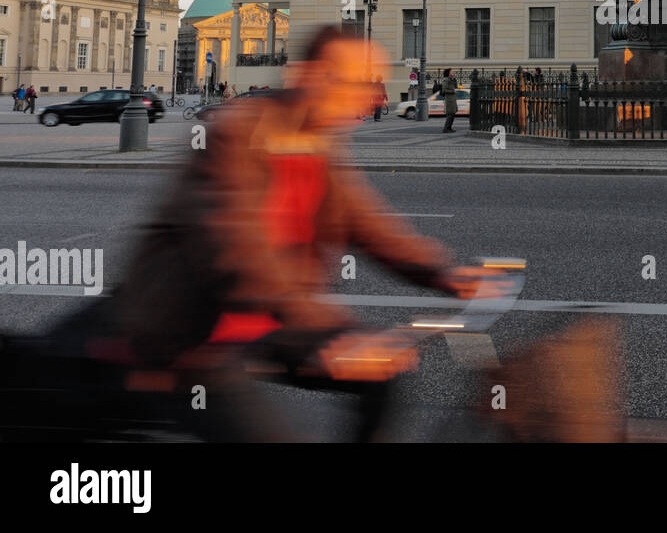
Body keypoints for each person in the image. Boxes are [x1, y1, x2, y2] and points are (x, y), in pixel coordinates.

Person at [89, 27, 499, 441]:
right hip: (192, 330)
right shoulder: (238, 132)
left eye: (371, 83)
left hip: (271, 316)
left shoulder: (317, 141)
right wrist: (330, 329)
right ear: (309, 76)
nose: (368, 96)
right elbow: (238, 248)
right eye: (354, 81)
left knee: (381, 383)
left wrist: (445, 274)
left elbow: (368, 223)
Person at [440, 68, 459, 132]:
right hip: (449, 99)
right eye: (452, 72)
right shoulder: (446, 80)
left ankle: (449, 127)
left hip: (453, 99)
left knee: (453, 114)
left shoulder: (452, 80)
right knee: (450, 114)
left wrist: (454, 79)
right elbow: (444, 90)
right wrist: (452, 91)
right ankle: (445, 128)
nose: (453, 73)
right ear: (448, 73)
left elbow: (456, 87)